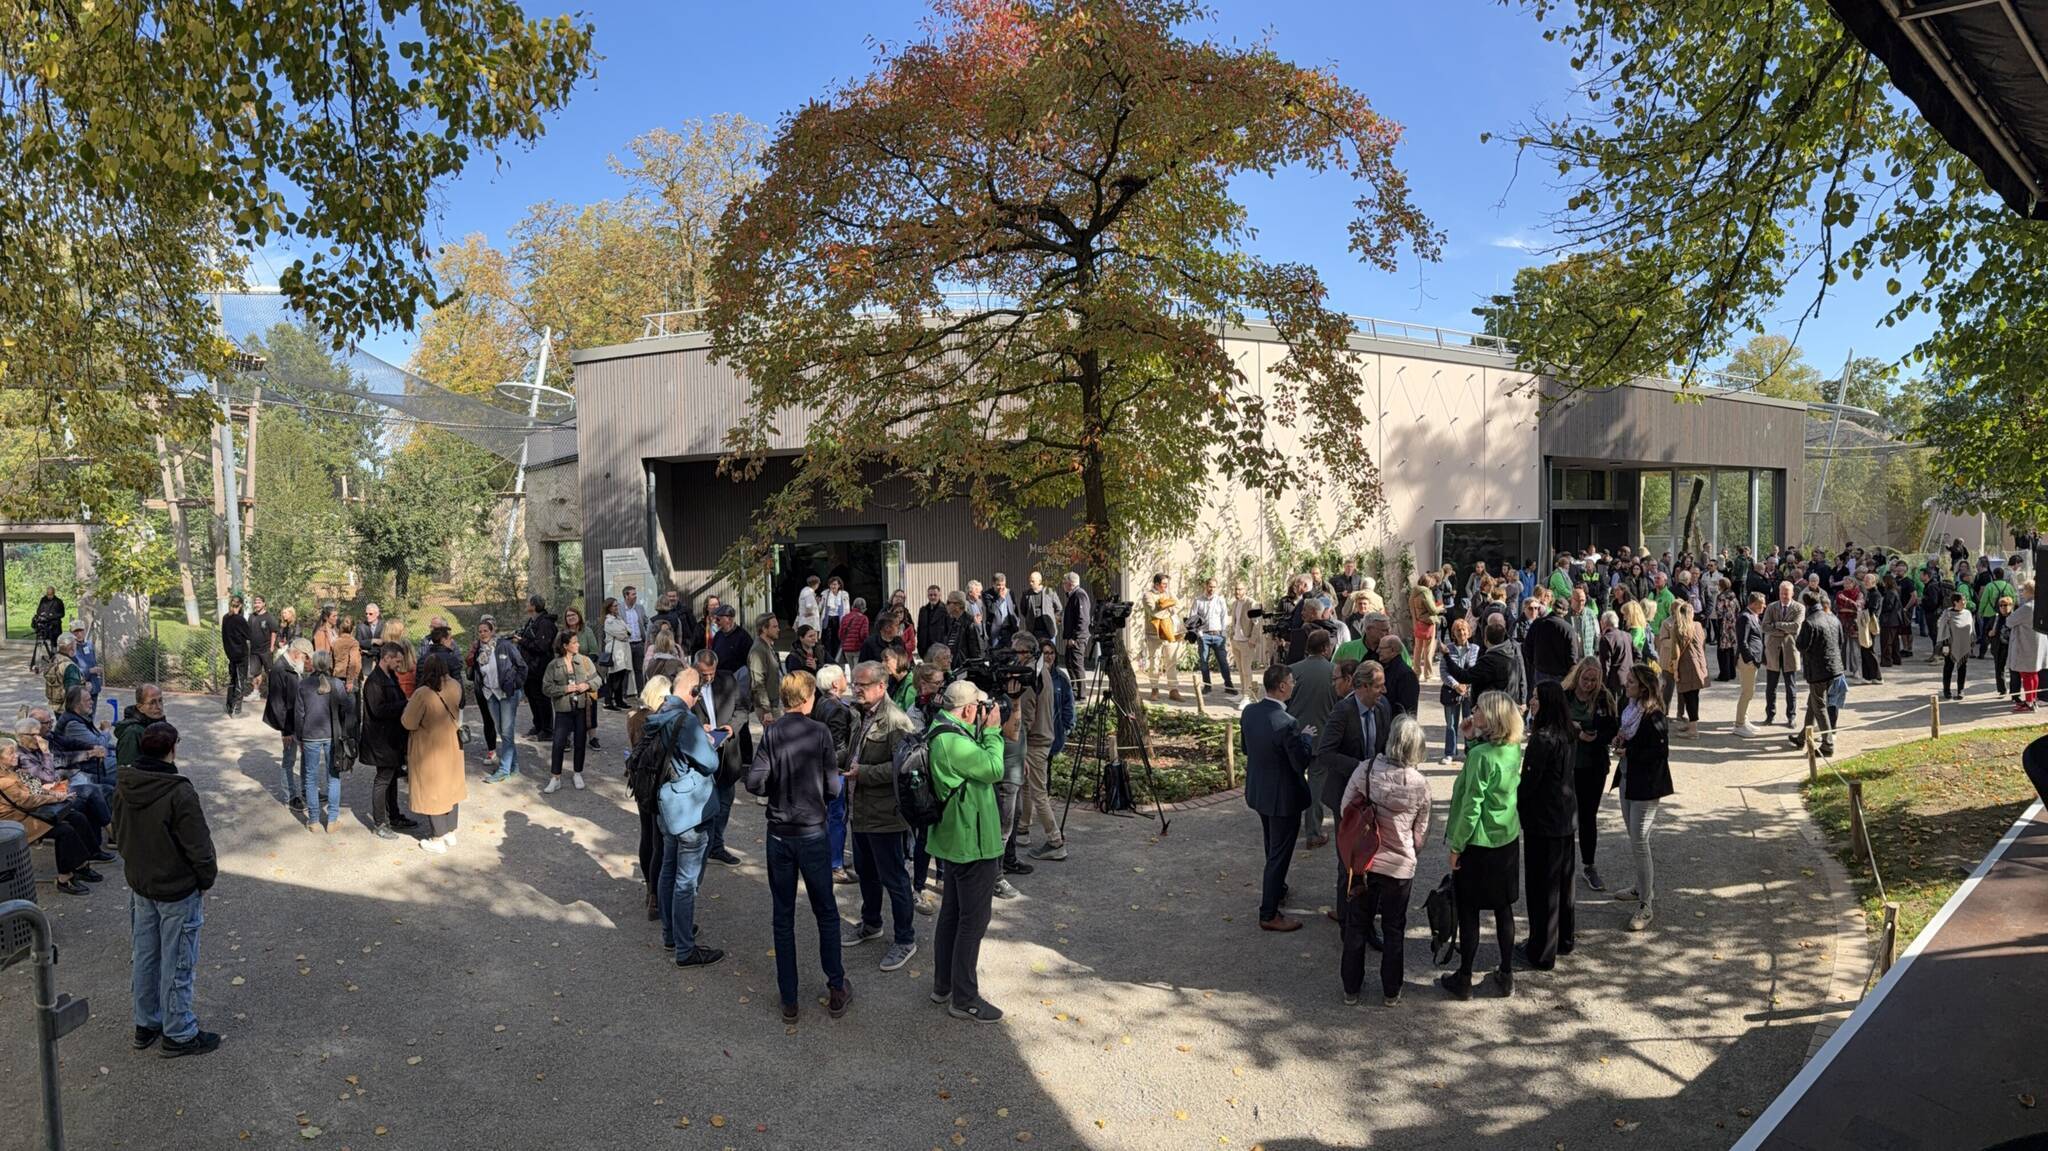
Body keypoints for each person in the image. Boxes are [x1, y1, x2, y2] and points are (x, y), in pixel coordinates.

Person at [743, 671, 852, 1022]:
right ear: (808, 699)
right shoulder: (819, 733)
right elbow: (833, 788)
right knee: (826, 911)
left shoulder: (773, 732)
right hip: (812, 833)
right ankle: (836, 985)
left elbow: (755, 782)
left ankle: (789, 998)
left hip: (779, 833)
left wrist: (778, 784)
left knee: (783, 915)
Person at [111, 721, 221, 1057]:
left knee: (146, 954)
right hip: (175, 888)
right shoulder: (178, 792)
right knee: (177, 960)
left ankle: (146, 1022)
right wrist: (205, 878)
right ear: (172, 749)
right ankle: (179, 1031)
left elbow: (118, 831)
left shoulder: (124, 784)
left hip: (142, 884)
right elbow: (198, 845)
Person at [927, 679, 1013, 1023]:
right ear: (967, 709)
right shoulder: (951, 741)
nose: (984, 712)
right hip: (971, 844)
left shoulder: (944, 729)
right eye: (979, 707)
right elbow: (994, 769)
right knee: (972, 922)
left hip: (959, 840)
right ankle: (964, 998)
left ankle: (943, 985)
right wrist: (993, 732)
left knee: (952, 914)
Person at [1337, 714, 1431, 1005]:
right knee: (1394, 928)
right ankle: (1391, 990)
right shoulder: (1420, 784)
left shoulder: (1365, 771)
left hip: (1364, 863)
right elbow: (1420, 833)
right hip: (1399, 867)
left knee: (1356, 925)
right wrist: (1410, 851)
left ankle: (1351, 988)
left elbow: (1344, 810)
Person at [1441, 691, 1524, 1000]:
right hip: (1506, 839)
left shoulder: (1480, 757)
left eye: (1477, 709)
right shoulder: (1512, 749)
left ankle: (1464, 976)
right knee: (1504, 909)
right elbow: (1491, 765)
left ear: (1490, 717)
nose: (1472, 711)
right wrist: (1472, 739)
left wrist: (1456, 846)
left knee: (1469, 911)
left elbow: (1471, 805)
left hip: (1477, 843)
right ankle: (1506, 973)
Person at [647, 668, 731, 967]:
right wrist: (710, 742)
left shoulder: (659, 713)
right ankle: (685, 948)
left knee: (669, 870)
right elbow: (709, 763)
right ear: (694, 692)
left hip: (666, 804)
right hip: (689, 810)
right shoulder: (687, 720)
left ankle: (672, 934)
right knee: (686, 881)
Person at [840, 660, 921, 971]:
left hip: (885, 815)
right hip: (859, 812)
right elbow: (853, 754)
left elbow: (906, 766)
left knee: (894, 878)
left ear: (881, 686)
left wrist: (866, 773)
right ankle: (871, 923)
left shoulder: (895, 721)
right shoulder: (861, 713)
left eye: (862, 685)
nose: (856, 689)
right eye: (855, 684)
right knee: (867, 873)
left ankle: (905, 939)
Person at [1315, 659, 1393, 916]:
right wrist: (1361, 767)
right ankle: (1344, 917)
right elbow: (1325, 753)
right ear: (1362, 686)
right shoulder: (1343, 711)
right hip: (1346, 797)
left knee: (1373, 856)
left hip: (1375, 794)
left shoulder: (1382, 708)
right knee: (1347, 859)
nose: (1383, 691)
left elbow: (1386, 748)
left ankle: (1367, 916)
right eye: (1378, 687)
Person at [0, 735, 110, 896]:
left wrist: (53, 793)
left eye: (15, 752)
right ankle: (64, 878)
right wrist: (55, 797)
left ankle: (82, 864)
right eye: (11, 754)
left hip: (28, 812)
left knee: (76, 817)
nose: (16, 756)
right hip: (16, 821)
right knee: (65, 831)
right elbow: (27, 801)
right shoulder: (4, 781)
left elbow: (32, 791)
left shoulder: (11, 771)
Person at [1518, 681, 1578, 970]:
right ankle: (1564, 938)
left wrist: (1517, 804)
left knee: (1542, 887)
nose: (1532, 701)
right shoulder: (1568, 733)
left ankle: (1542, 949)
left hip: (1544, 821)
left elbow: (1529, 784)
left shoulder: (1543, 739)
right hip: (1565, 817)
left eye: (1536, 698)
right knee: (1564, 884)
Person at [1612, 665, 1674, 931]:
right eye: (1627, 681)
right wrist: (1619, 740)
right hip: (1628, 780)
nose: (1626, 686)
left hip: (1647, 785)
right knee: (1634, 836)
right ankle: (1640, 887)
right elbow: (1627, 737)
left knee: (1640, 840)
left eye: (1631, 683)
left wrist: (1630, 752)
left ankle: (1646, 903)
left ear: (1644, 688)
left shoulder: (1654, 714)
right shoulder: (1629, 709)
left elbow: (1660, 752)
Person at [400, 652, 467, 854]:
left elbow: (408, 722)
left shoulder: (423, 693)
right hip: (452, 744)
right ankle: (450, 831)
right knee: (451, 786)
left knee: (433, 790)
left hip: (429, 746)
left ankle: (438, 837)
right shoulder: (455, 685)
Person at [691, 647, 751, 866]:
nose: (707, 677)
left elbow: (743, 709)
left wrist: (731, 728)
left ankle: (716, 846)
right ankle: (702, 848)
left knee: (725, 803)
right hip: (700, 757)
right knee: (702, 805)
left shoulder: (728, 680)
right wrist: (698, 727)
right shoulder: (687, 685)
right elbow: (679, 715)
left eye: (711, 673)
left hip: (728, 755)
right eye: (703, 673)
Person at [1565, 657, 1619, 893]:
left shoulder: (1604, 698)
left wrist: (1597, 736)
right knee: (1566, 816)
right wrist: (1575, 731)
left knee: (1588, 816)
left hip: (1594, 765)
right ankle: (1563, 864)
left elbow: (1613, 728)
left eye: (1593, 681)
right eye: (1585, 679)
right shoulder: (1565, 695)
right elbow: (1553, 724)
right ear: (1577, 677)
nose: (1588, 684)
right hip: (1568, 764)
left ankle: (1589, 865)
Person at [1285, 629, 1338, 847]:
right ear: (1326, 648)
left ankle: (1289, 827)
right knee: (1316, 786)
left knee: (1293, 782)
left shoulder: (1292, 671)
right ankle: (1313, 831)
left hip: (1295, 735)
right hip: (1322, 737)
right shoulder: (1334, 672)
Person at [293, 651, 355, 833]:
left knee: (310, 778)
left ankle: (313, 820)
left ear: (312, 664)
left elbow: (299, 714)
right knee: (333, 776)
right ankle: (332, 819)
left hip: (310, 735)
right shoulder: (336, 684)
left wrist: (299, 737)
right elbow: (348, 707)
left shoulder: (303, 685)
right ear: (329, 664)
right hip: (332, 734)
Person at [360, 643, 416, 839]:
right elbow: (378, 710)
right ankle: (380, 822)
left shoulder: (389, 677)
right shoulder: (374, 682)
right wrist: (404, 704)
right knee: (383, 780)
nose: (400, 664)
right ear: (387, 658)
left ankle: (394, 815)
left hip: (391, 738)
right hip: (380, 740)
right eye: (397, 660)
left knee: (391, 778)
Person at [471, 618, 529, 783]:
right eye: (480, 631)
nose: (483, 634)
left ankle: (503, 769)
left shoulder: (504, 646)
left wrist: (515, 684)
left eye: (486, 631)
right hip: (490, 695)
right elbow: (476, 672)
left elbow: (522, 666)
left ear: (492, 631)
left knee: (507, 732)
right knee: (502, 732)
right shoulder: (478, 651)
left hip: (506, 694)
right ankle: (514, 766)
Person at [542, 630, 600, 793]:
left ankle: (577, 773)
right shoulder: (554, 665)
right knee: (558, 743)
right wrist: (564, 689)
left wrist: (587, 685)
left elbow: (598, 679)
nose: (578, 645)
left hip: (581, 708)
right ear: (565, 646)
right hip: (563, 709)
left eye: (577, 642)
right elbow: (546, 688)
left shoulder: (585, 661)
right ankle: (555, 777)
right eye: (574, 642)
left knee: (580, 741)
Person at [262, 640, 307, 813]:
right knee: (289, 759)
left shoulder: (292, 666)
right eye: (304, 657)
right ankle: (291, 796)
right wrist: (285, 731)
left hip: (297, 720)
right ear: (296, 654)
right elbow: (277, 703)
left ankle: (305, 790)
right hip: (288, 723)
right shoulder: (280, 668)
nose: (305, 661)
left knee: (303, 756)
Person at [1657, 600, 1708, 738]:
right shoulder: (1697, 626)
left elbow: (1675, 651)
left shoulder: (1677, 628)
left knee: (1688, 696)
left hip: (1684, 666)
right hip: (1698, 665)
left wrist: (1676, 669)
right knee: (1694, 696)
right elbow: (1702, 646)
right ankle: (1692, 723)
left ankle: (1693, 730)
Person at [516, 597, 559, 740]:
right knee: (532, 697)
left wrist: (522, 641)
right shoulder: (533, 621)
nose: (526, 604)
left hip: (540, 667)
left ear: (534, 606)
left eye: (528, 603)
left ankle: (547, 730)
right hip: (530, 667)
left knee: (541, 698)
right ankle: (538, 725)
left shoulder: (545, 623)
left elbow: (541, 646)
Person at [1762, 581, 1804, 728]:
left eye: (1787, 593)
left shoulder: (1799, 608)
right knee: (1771, 686)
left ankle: (1791, 716)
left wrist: (1777, 624)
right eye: (1782, 593)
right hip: (1773, 650)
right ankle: (1770, 715)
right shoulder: (1771, 607)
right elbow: (1765, 626)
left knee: (1790, 686)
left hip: (1790, 651)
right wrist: (1783, 629)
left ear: (1792, 593)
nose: (1784, 596)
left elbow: (1796, 626)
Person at [1438, 616, 1479, 764]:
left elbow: (1476, 670)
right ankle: (1450, 752)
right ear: (1453, 633)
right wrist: (1456, 685)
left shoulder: (1475, 649)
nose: (1461, 632)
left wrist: (1466, 686)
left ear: (1469, 632)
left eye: (1464, 630)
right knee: (1451, 723)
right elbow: (1443, 671)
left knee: (1470, 722)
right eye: (1458, 630)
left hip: (1469, 692)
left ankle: (1470, 751)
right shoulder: (1447, 649)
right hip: (1451, 690)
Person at [1190, 577, 1236, 696]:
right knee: (1204, 661)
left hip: (1218, 635)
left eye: (1214, 587)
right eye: (1210, 586)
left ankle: (1228, 685)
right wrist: (1199, 633)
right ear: (1206, 586)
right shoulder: (1198, 600)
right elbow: (1192, 618)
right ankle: (1207, 686)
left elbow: (1224, 616)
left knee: (1223, 661)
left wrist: (1223, 634)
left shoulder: (1220, 600)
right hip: (1204, 635)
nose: (1212, 589)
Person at [1733, 592, 1767, 736]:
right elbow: (1742, 641)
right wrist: (1749, 659)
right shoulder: (1745, 617)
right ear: (1753, 603)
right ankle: (1739, 724)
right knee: (1747, 692)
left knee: (1749, 692)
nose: (1764, 606)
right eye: (1762, 603)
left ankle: (1744, 720)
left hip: (1753, 660)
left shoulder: (1754, 616)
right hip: (1748, 661)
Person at [113, 683, 170, 769]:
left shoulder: (157, 725)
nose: (159, 707)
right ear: (140, 707)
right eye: (152, 703)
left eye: (160, 700)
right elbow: (127, 775)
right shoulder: (132, 734)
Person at [748, 613, 786, 727]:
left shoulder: (768, 646)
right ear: (764, 629)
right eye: (774, 627)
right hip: (769, 706)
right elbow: (758, 682)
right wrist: (766, 710)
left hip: (775, 702)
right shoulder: (758, 650)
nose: (778, 629)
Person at [1937, 591, 1976, 702]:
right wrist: (1944, 644)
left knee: (1962, 668)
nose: (1965, 602)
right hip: (1950, 645)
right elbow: (1941, 628)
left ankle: (1960, 690)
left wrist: (1971, 641)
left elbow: (1972, 629)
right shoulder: (1948, 613)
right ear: (1955, 602)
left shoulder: (1967, 613)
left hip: (1964, 645)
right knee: (1948, 667)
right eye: (1962, 600)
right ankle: (1947, 690)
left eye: (1965, 600)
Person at [2010, 583, 2042, 713]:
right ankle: (2033, 699)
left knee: (2026, 674)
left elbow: (2010, 621)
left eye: (2023, 590)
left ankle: (2029, 702)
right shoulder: (2040, 605)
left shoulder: (2027, 607)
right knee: (2033, 673)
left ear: (2029, 591)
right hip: (2037, 642)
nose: (2022, 593)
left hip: (2026, 644)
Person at [600, 597, 635, 710]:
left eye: (617, 605)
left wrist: (625, 632)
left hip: (623, 650)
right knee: (614, 676)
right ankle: (608, 701)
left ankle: (619, 700)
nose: (617, 607)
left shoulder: (619, 619)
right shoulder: (608, 621)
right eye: (614, 606)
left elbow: (629, 631)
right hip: (616, 651)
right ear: (609, 608)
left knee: (621, 675)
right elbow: (622, 634)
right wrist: (625, 633)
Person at [219, 596, 252, 716]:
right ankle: (236, 709)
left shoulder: (225, 618)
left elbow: (224, 636)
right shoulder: (239, 619)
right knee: (240, 680)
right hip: (241, 653)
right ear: (241, 605)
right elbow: (249, 635)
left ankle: (229, 705)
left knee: (232, 679)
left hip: (230, 653)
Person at [1060, 572, 1092, 687]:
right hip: (1071, 637)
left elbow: (1083, 619)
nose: (1063, 585)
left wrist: (1074, 637)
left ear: (1070, 584)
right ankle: (1073, 689)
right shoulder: (1073, 595)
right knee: (1069, 662)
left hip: (1078, 637)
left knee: (1077, 663)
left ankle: (1081, 693)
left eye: (1064, 583)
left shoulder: (1079, 595)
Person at [620, 585, 649, 694]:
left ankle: (641, 694)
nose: (635, 596)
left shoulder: (640, 608)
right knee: (625, 671)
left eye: (635, 594)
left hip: (639, 644)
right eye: (633, 594)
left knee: (639, 671)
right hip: (625, 644)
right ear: (626, 596)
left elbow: (646, 622)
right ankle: (623, 696)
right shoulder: (619, 609)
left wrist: (646, 635)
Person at [247, 595, 278, 698]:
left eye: (259, 602)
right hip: (254, 651)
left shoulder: (269, 617)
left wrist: (272, 647)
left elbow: (274, 632)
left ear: (264, 604)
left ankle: (273, 693)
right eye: (255, 602)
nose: (257, 604)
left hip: (266, 650)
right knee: (256, 673)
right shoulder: (252, 616)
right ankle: (256, 693)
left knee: (270, 672)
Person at [836, 598, 870, 667]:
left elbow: (840, 634)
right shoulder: (864, 618)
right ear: (864, 609)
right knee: (858, 670)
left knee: (852, 670)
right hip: (858, 648)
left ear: (852, 606)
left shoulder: (845, 617)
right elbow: (864, 634)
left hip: (846, 649)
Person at [332, 613, 364, 686]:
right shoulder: (354, 643)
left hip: (337, 676)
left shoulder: (335, 642)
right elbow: (353, 662)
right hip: (351, 679)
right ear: (353, 628)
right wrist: (350, 681)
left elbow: (331, 662)